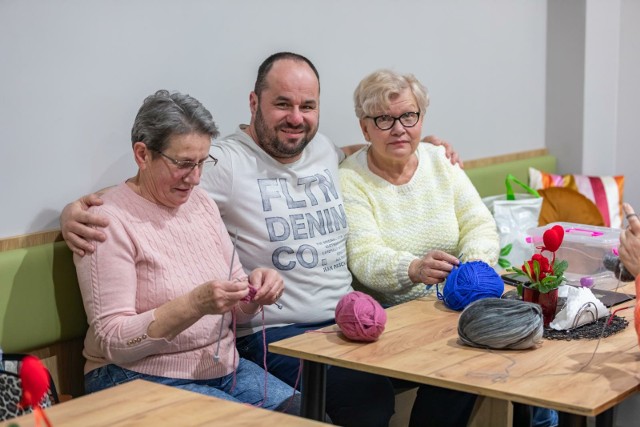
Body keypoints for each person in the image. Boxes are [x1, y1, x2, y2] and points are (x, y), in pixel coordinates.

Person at [61, 52, 460, 426]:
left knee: (445, 367)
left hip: (232, 359)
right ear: (254, 103)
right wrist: (72, 213)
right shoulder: (206, 174)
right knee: (357, 398)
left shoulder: (211, 195)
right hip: (161, 368)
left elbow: (363, 154)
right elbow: (115, 332)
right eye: (282, 104)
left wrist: (256, 290)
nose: (196, 176)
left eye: (308, 106)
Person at [73, 89, 299, 413]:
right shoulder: (106, 222)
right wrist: (194, 304)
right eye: (183, 164)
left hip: (220, 368)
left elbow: (235, 303)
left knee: (307, 414)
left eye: (202, 163)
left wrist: (254, 290)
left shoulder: (201, 203)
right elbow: (113, 341)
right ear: (142, 154)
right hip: (132, 375)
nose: (194, 178)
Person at [339, 69, 499, 425]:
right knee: (461, 366)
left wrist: (472, 269)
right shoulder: (350, 179)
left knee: (502, 351)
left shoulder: (440, 161)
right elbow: (363, 255)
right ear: (365, 128)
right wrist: (413, 268)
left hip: (452, 311)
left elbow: (480, 222)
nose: (399, 128)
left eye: (408, 116)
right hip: (393, 325)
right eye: (384, 119)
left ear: (421, 118)